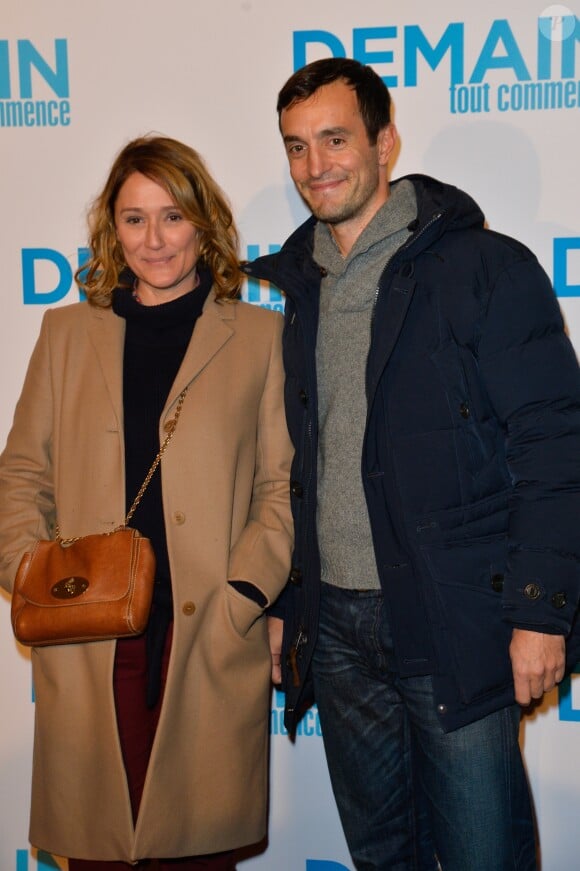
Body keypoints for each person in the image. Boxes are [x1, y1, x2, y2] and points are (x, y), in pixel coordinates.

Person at [245, 58, 580, 870]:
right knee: (382, 856)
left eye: (334, 139)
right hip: (340, 637)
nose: (314, 165)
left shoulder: (485, 268)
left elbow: (554, 439)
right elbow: (303, 461)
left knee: (482, 854)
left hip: (454, 618)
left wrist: (541, 610)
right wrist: (291, 600)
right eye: (295, 147)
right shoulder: (299, 289)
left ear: (385, 141)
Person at [0, 135, 294, 869]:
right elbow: (22, 473)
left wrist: (246, 593)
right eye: (134, 219)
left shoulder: (259, 336)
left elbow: (281, 485)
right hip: (90, 632)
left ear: (204, 224)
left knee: (196, 848)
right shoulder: (65, 332)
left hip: (205, 635)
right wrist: (33, 576)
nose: (154, 239)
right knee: (98, 845)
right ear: (111, 228)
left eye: (172, 216)